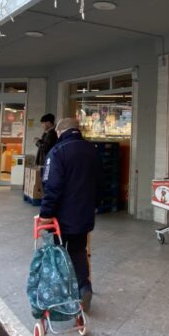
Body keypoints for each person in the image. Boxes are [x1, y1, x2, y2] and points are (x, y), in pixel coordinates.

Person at [39, 118, 102, 312]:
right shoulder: (92, 150)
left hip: (61, 216)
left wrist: (46, 214)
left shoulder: (58, 151)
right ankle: (84, 287)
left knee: (57, 252)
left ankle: (61, 293)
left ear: (60, 132)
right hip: (84, 213)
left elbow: (52, 186)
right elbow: (100, 181)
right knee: (78, 250)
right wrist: (95, 205)